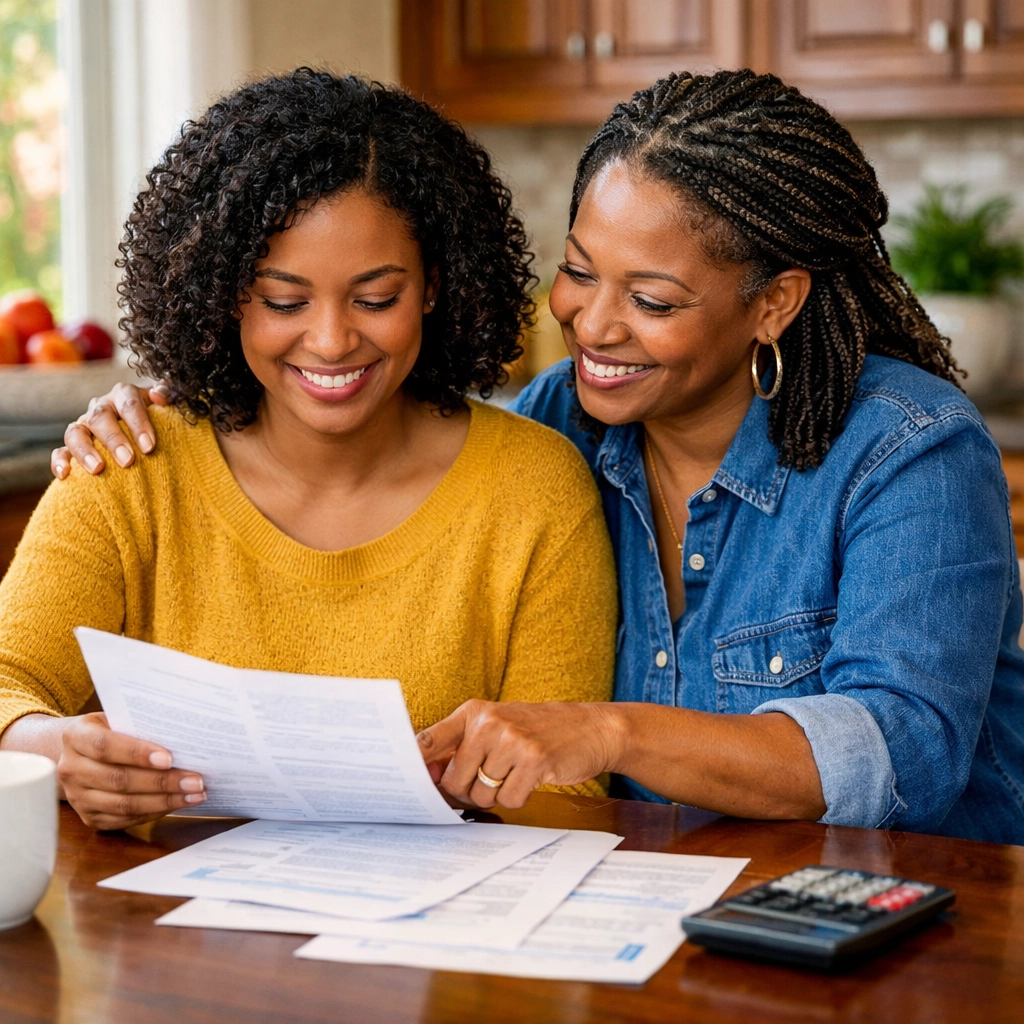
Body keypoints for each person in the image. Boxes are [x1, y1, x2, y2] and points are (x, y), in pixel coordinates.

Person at [52, 70, 1024, 845]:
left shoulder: (907, 444)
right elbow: (426, 451)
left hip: (921, 916)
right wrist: (183, 392)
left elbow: (906, 754)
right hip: (656, 903)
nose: (592, 326)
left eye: (650, 300)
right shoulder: (560, 424)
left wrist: (608, 727)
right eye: (578, 272)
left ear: (772, 303)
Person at [0, 70, 617, 831]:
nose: (330, 341)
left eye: (376, 298)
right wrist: (53, 749)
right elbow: (6, 684)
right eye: (284, 301)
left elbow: (566, 798)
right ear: (226, 293)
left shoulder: (534, 488)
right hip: (162, 934)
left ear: (433, 286)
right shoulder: (131, 464)